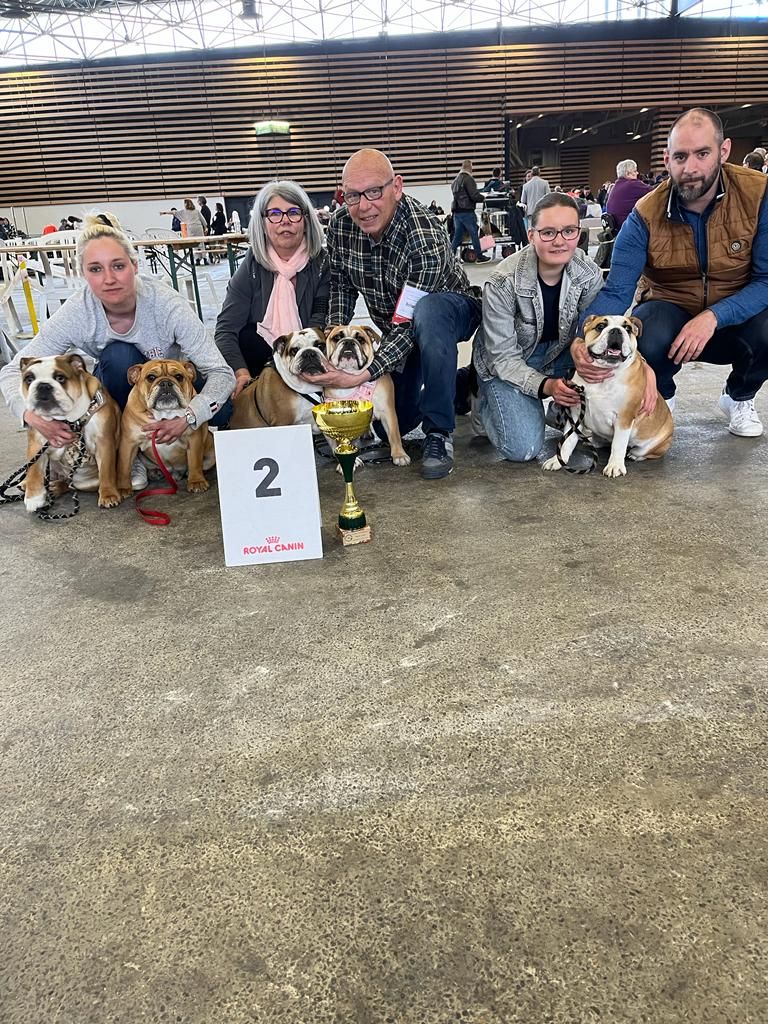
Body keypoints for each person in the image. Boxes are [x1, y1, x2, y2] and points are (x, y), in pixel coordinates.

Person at [0, 213, 235, 486]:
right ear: (82, 273)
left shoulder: (167, 305)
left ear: (135, 266)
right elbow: (10, 371)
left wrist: (190, 416)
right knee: (119, 355)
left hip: (173, 384)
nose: (109, 278)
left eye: (118, 266)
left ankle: (177, 444)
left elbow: (220, 371)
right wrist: (30, 416)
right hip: (120, 385)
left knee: (224, 408)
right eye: (96, 269)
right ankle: (130, 451)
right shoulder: (78, 312)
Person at [583, 107, 768, 438]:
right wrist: (581, 340)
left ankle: (738, 396)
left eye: (702, 154)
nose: (691, 168)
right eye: (681, 156)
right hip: (671, 310)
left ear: (724, 151)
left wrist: (713, 316)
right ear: (667, 159)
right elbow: (616, 292)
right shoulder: (645, 214)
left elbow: (766, 281)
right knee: (644, 331)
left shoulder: (760, 195)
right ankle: (662, 394)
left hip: (738, 314)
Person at [316, 148, 482, 480]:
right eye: (352, 195)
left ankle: (439, 432)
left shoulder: (425, 234)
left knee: (429, 311)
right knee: (397, 421)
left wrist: (367, 373)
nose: (363, 206)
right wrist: (332, 344)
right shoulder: (340, 228)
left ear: (397, 187)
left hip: (450, 313)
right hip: (396, 327)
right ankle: (457, 384)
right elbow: (340, 286)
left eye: (374, 192)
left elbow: (408, 321)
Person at [472, 194, 604, 462]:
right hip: (510, 360)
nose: (559, 241)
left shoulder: (589, 275)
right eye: (548, 233)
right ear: (531, 235)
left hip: (562, 355)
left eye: (569, 231)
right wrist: (547, 386)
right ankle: (481, 400)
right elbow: (503, 358)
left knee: (599, 419)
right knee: (523, 449)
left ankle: (556, 410)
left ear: (579, 233)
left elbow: (596, 337)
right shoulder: (502, 282)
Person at [214, 180, 329, 399]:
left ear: (306, 220)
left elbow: (320, 325)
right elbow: (225, 331)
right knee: (247, 337)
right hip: (259, 369)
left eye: (294, 212)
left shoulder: (322, 264)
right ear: (263, 223)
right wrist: (240, 372)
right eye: (275, 213)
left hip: (309, 364)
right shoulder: (251, 266)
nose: (285, 221)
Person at [450, 159, 490, 264]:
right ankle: (479, 256)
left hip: (456, 212)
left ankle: (449, 257)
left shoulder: (455, 181)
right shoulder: (469, 179)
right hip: (467, 211)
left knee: (457, 236)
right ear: (470, 167)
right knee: (474, 234)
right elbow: (474, 195)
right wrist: (483, 198)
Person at [606, 159, 651, 228]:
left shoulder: (615, 186)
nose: (637, 173)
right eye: (635, 171)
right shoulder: (632, 184)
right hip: (630, 229)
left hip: (618, 228)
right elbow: (655, 191)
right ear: (627, 174)